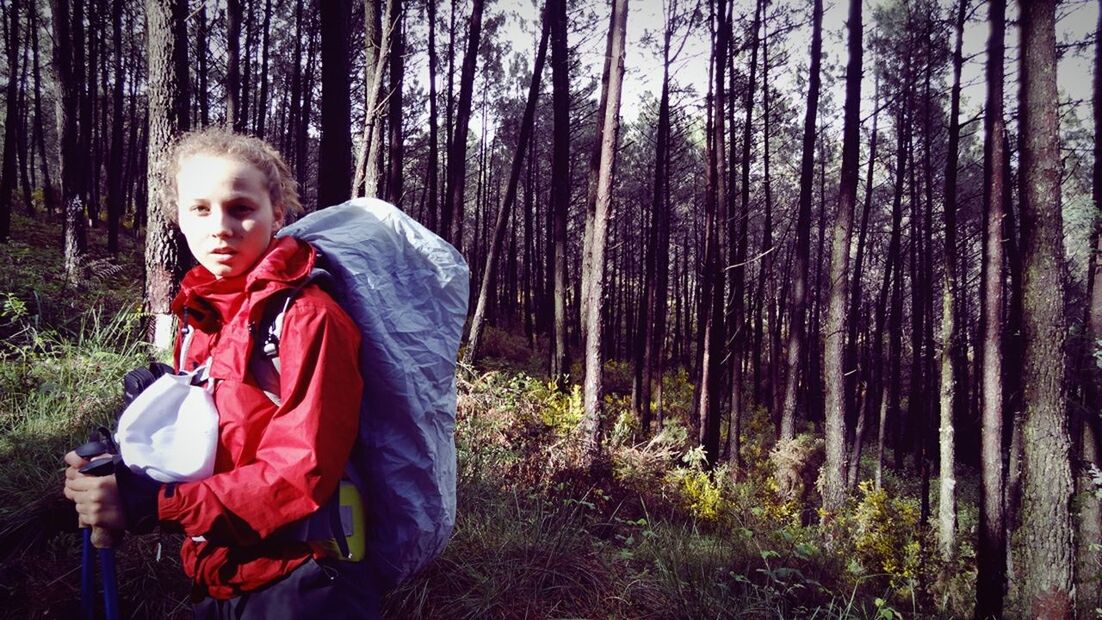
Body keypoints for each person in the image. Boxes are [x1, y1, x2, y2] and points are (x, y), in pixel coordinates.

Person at [62, 128, 377, 618]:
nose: (221, 227)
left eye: (240, 208)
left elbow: (298, 475)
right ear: (178, 217)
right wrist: (125, 468)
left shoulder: (309, 318)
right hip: (218, 568)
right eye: (201, 209)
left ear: (278, 213)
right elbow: (222, 444)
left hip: (302, 580)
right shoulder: (201, 314)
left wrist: (156, 506)